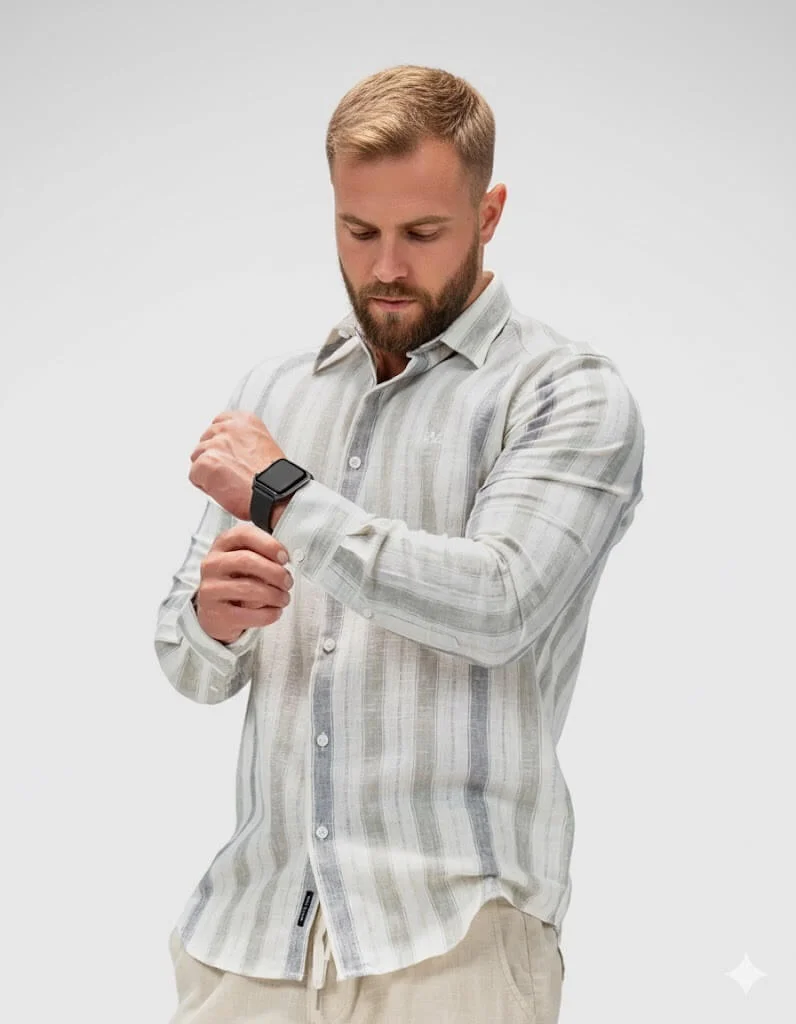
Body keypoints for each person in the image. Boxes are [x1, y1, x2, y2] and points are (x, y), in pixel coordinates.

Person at [154, 63, 645, 1024]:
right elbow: (187, 662)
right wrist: (215, 620)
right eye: (358, 230)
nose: (385, 266)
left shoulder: (565, 394)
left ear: (489, 213)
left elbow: (498, 603)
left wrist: (284, 495)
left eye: (422, 234)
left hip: (452, 931)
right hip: (255, 936)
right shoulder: (275, 392)